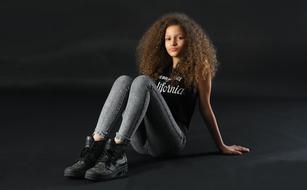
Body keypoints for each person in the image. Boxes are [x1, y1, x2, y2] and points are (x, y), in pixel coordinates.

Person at [64, 12, 250, 181]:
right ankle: (94, 149)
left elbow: (205, 107)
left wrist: (221, 145)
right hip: (142, 143)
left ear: (190, 41)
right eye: (168, 38)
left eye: (179, 38)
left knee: (142, 81)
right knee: (124, 80)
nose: (173, 43)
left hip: (171, 141)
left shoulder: (199, 68)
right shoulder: (159, 66)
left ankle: (118, 153)